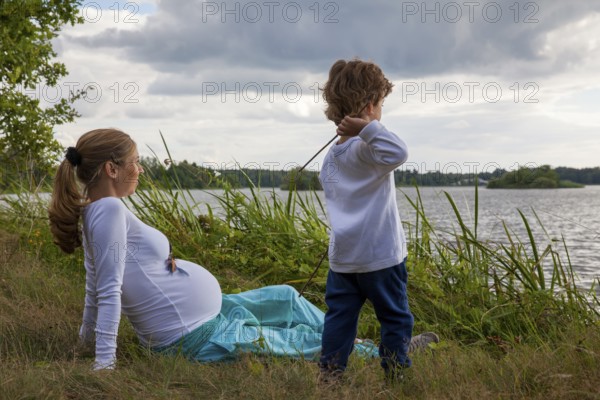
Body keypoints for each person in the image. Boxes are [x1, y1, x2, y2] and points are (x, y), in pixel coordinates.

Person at [47, 128, 331, 370]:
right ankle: (367, 347)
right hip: (195, 336)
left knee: (285, 297)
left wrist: (84, 344)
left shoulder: (95, 212)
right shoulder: (108, 209)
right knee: (309, 343)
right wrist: (104, 364)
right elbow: (106, 291)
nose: (140, 169)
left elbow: (93, 288)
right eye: (135, 162)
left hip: (205, 317)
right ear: (112, 169)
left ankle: (348, 335)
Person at [318, 59, 437, 380]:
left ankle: (330, 374)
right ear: (370, 106)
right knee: (395, 318)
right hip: (380, 257)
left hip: (343, 259)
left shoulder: (333, 155)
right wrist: (368, 129)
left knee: (339, 318)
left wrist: (362, 130)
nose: (381, 110)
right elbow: (398, 152)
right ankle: (396, 373)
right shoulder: (365, 149)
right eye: (381, 104)